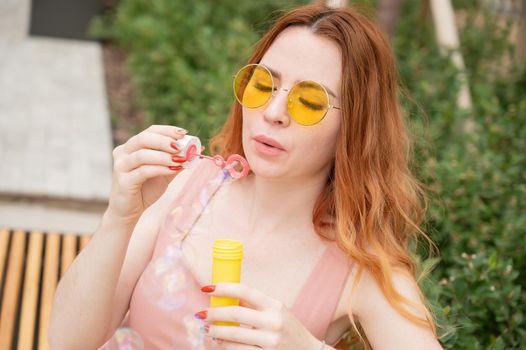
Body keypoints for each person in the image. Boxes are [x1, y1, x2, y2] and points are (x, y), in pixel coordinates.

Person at [49, 3, 443, 349]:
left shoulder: (362, 268)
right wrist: (120, 217)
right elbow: (68, 340)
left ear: (354, 128)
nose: (273, 112)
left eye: (309, 102)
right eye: (263, 84)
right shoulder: (189, 187)